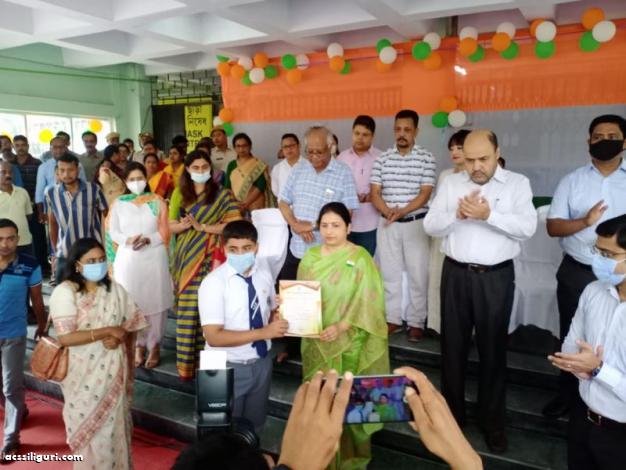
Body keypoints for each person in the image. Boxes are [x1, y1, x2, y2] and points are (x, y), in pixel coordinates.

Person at [424, 129, 537, 452]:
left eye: (483, 159)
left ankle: (492, 423)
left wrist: (489, 215)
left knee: (493, 351)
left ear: (497, 153)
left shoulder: (517, 184)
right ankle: (452, 419)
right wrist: (456, 215)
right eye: (469, 160)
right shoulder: (452, 183)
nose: (475, 167)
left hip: (495, 278)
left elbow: (527, 228)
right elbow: (430, 225)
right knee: (452, 350)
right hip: (456, 275)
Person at [543, 114, 626, 419]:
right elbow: (553, 227)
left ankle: (610, 401)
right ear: (588, 141)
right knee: (573, 334)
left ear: (624, 142)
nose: (604, 142)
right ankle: (569, 396)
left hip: (623, 276)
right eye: (598, 137)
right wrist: (585, 221)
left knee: (616, 339)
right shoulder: (572, 180)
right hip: (578, 272)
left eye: (612, 137)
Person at [297, 202, 389, 469]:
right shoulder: (310, 257)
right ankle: (319, 459)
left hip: (350, 342)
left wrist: (342, 326)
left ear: (349, 228)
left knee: (349, 402)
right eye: (324, 225)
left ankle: (350, 460)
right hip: (315, 341)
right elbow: (301, 294)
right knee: (318, 400)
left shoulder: (361, 258)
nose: (329, 231)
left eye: (336, 225)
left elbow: (369, 300)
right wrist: (288, 303)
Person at [49, 238, 147, 470]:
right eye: (91, 261)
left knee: (113, 432)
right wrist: (107, 331)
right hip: (81, 375)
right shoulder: (65, 292)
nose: (98, 264)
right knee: (86, 432)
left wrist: (119, 336)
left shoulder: (114, 290)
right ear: (77, 265)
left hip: (113, 373)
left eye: (102, 259)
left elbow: (132, 323)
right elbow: (65, 337)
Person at [547, 214, 626, 470]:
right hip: (583, 419)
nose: (598, 260)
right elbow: (572, 344)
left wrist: (598, 369)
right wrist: (577, 366)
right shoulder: (594, 291)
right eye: (597, 251)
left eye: (608, 255)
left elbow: (594, 366)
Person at [200, 220, 288, 432]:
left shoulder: (264, 274)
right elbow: (213, 336)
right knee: (218, 432)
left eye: (246, 248)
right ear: (224, 249)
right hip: (222, 365)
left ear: (256, 247)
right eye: (233, 249)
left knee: (253, 427)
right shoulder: (213, 283)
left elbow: (268, 313)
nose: (240, 254)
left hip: (260, 362)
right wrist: (264, 332)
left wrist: (277, 316)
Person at [169, 150, 241, 380]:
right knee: (188, 310)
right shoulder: (179, 193)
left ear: (211, 169)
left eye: (204, 167)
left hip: (212, 259)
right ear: (188, 170)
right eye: (196, 168)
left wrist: (203, 228)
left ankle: (211, 366)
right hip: (185, 257)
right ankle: (187, 366)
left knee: (212, 309)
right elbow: (169, 225)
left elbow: (235, 223)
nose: (200, 171)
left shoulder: (222, 194)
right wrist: (183, 225)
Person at [370, 109, 436, 341]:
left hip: (415, 223)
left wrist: (401, 212)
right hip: (388, 223)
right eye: (398, 129)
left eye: (407, 130)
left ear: (416, 131)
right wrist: (387, 211)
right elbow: (375, 192)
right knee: (390, 274)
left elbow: (425, 194)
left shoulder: (426, 158)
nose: (402, 134)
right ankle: (393, 319)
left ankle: (417, 321)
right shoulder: (382, 158)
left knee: (418, 275)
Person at [107, 162, 173, 369]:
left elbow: (165, 231)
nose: (137, 183)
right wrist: (128, 240)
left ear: (146, 179)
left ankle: (154, 345)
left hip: (154, 256)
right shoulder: (118, 203)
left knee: (156, 302)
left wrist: (149, 239)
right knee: (133, 302)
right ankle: (139, 345)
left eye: (140, 178)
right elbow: (113, 232)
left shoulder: (157, 201)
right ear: (125, 182)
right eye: (132, 179)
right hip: (128, 259)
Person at [278, 126, 359, 280]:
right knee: (292, 293)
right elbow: (283, 202)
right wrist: (295, 225)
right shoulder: (298, 169)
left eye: (319, 152)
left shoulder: (343, 173)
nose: (314, 156)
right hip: (297, 251)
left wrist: (312, 226)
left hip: (327, 255)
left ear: (331, 147)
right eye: (310, 151)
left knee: (325, 295)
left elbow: (347, 214)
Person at [0, 219, 45, 462]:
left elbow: (37, 299)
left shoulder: (29, 264)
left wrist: (42, 324)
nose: (5, 244)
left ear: (18, 239)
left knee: (11, 385)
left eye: (10, 238)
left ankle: (11, 439)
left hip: (14, 335)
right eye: (0, 239)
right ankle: (20, 409)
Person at [427, 129, 471, 334]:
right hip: (442, 233)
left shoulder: (476, 177)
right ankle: (438, 325)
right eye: (452, 148)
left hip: (464, 235)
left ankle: (466, 330)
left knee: (462, 287)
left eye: (459, 148)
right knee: (438, 279)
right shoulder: (445, 175)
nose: (454, 152)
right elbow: (437, 205)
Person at [46, 154, 108, 282]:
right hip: (65, 252)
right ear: (57, 171)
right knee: (65, 289)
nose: (66, 174)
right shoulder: (51, 193)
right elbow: (52, 223)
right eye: (62, 170)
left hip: (92, 252)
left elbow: (106, 215)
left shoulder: (93, 189)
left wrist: (106, 248)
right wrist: (55, 251)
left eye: (71, 170)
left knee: (95, 289)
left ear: (78, 170)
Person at [337, 115, 382, 256]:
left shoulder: (381, 158)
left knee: (366, 261)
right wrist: (349, 196)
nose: (360, 138)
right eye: (357, 133)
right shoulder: (341, 158)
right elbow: (334, 188)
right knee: (347, 262)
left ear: (372, 136)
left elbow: (388, 188)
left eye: (365, 135)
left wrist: (373, 196)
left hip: (371, 223)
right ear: (352, 133)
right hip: (346, 223)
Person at [13, 136, 46, 272]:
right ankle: (21, 267)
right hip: (17, 207)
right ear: (14, 147)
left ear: (28, 146)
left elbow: (41, 185)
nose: (20, 148)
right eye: (17, 145)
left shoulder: (37, 163)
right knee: (19, 237)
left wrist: (36, 204)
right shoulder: (10, 164)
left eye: (23, 145)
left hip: (35, 206)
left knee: (38, 237)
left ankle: (42, 266)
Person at [35, 137, 87, 223]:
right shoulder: (43, 167)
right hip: (52, 208)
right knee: (53, 230)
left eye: (61, 147)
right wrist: (41, 212)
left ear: (66, 148)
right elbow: (39, 192)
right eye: (55, 147)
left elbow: (84, 186)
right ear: (50, 149)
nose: (58, 150)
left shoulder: (78, 165)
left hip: (75, 206)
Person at [224, 133, 274, 215]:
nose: (241, 149)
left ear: (250, 146)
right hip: (236, 203)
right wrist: (235, 203)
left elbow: (261, 185)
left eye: (244, 146)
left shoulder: (257, 164)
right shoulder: (231, 165)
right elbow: (228, 186)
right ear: (234, 148)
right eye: (238, 146)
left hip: (255, 201)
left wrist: (246, 203)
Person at [0, 162, 33, 255]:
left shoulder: (23, 192)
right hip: (3, 245)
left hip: (24, 241)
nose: (8, 175)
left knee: (27, 264)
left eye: (10, 172)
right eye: (3, 172)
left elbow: (29, 215)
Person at [271, 133, 301, 199]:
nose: (289, 149)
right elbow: (275, 191)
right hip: (284, 204)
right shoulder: (277, 168)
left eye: (292, 145)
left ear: (299, 146)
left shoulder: (309, 166)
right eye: (285, 147)